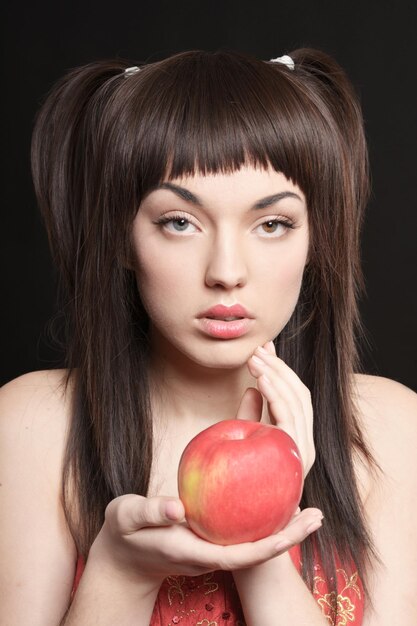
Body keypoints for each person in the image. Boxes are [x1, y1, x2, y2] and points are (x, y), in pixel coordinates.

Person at [0, 48, 416, 626]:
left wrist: (262, 532)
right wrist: (121, 571)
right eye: (179, 222)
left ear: (315, 238)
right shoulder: (35, 426)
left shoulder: (391, 429)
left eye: (272, 224)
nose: (225, 270)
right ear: (122, 236)